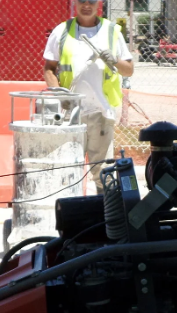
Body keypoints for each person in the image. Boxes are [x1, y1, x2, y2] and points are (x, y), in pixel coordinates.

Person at [43, 0, 134, 194]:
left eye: (91, 1)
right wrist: (59, 93)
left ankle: (104, 218)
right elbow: (49, 69)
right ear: (75, 3)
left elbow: (129, 70)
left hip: (101, 112)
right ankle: (71, 216)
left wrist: (115, 60)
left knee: (103, 173)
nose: (86, 5)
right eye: (82, 0)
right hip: (71, 114)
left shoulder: (111, 31)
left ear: (98, 3)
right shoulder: (61, 32)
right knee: (68, 172)